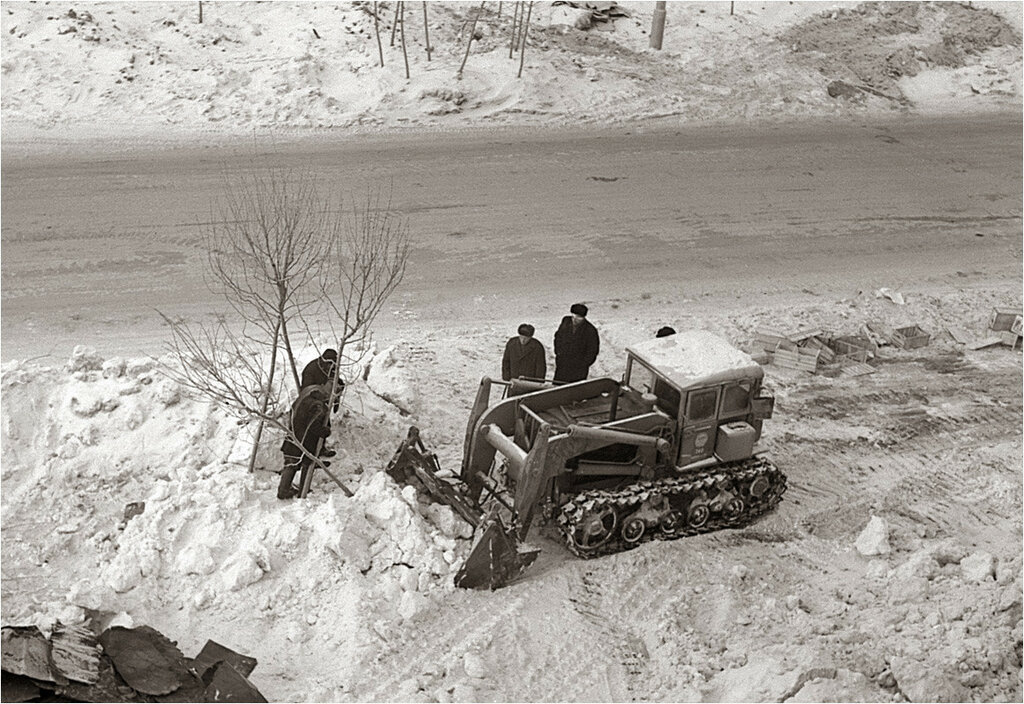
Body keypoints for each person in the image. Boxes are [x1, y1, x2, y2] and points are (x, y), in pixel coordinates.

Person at [278, 384, 332, 500]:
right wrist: (325, 431)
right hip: (306, 442)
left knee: (290, 464)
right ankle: (303, 492)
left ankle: (283, 491)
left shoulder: (302, 400)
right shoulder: (318, 406)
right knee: (307, 465)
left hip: (292, 439)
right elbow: (313, 425)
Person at [553, 303, 600, 383]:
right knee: (557, 388)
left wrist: (583, 365)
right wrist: (558, 352)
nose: (575, 319)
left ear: (584, 318)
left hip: (578, 369)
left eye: (579, 318)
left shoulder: (590, 330)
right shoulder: (566, 321)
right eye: (574, 316)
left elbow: (593, 351)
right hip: (563, 363)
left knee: (574, 391)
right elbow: (558, 337)